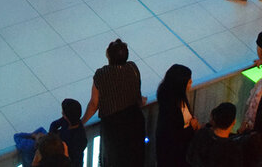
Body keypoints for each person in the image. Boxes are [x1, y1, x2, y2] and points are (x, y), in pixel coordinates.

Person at [81, 39, 146, 167]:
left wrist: (82, 122)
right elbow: (136, 91)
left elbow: (94, 104)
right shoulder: (133, 67)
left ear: (108, 55)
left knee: (114, 159)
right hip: (135, 120)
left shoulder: (101, 74)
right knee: (135, 157)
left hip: (114, 126)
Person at [154, 64, 199, 167]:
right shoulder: (171, 107)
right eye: (189, 81)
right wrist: (192, 127)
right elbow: (174, 135)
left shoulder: (177, 97)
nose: (191, 82)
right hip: (173, 155)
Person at [187, 102, 243, 167]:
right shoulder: (233, 150)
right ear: (233, 122)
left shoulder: (202, 134)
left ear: (214, 118)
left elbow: (190, 158)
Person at [49, 98, 87, 167]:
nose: (62, 113)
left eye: (63, 112)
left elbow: (74, 161)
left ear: (66, 116)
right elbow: (54, 124)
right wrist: (52, 138)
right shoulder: (66, 120)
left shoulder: (78, 139)